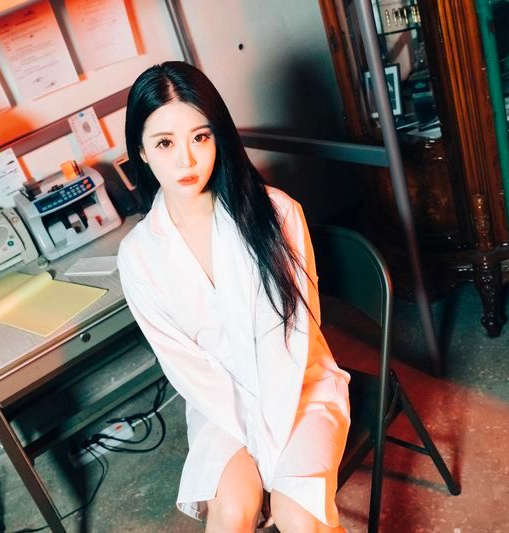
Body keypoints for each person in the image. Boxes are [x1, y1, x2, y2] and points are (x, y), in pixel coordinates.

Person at [117, 61, 351, 533]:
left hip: (300, 389)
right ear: (140, 152)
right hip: (218, 407)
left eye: (200, 137)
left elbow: (292, 339)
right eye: (164, 143)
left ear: (218, 138)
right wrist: (252, 453)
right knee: (231, 516)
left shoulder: (277, 213)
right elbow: (186, 367)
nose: (186, 160)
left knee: (297, 516)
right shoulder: (137, 255)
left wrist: (269, 458)